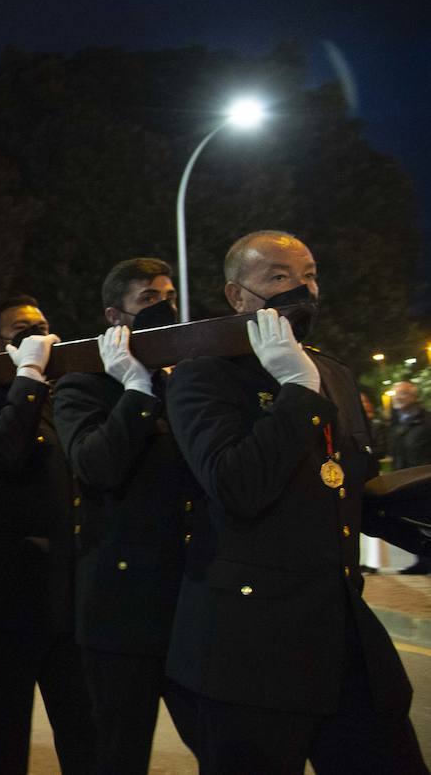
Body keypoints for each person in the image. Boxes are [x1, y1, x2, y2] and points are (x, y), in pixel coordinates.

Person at [165, 230, 425, 772]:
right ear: (237, 297)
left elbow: (350, 486)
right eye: (278, 277)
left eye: (308, 275)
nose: (299, 289)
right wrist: (296, 391)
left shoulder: (333, 371)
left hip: (341, 634)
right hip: (251, 649)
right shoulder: (203, 374)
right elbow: (235, 485)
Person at [52, 258, 200, 774]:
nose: (165, 308)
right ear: (117, 315)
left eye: (170, 296)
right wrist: (135, 390)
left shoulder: (188, 379)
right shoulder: (84, 384)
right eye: (148, 299)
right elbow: (96, 466)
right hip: (123, 608)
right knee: (119, 753)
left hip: (193, 598)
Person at [0, 295, 95, 774]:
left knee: (84, 733)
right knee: (1, 738)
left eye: (43, 325)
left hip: (70, 593)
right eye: (22, 328)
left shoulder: (65, 393)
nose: (37, 335)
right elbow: (3, 449)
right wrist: (26, 378)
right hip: (7, 596)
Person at [387, 381, 431, 574]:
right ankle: (423, 560)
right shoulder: (397, 424)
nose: (398, 397)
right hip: (405, 481)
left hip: (424, 480)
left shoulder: (427, 421)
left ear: (414, 397)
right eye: (396, 394)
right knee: (416, 522)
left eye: (403, 393)